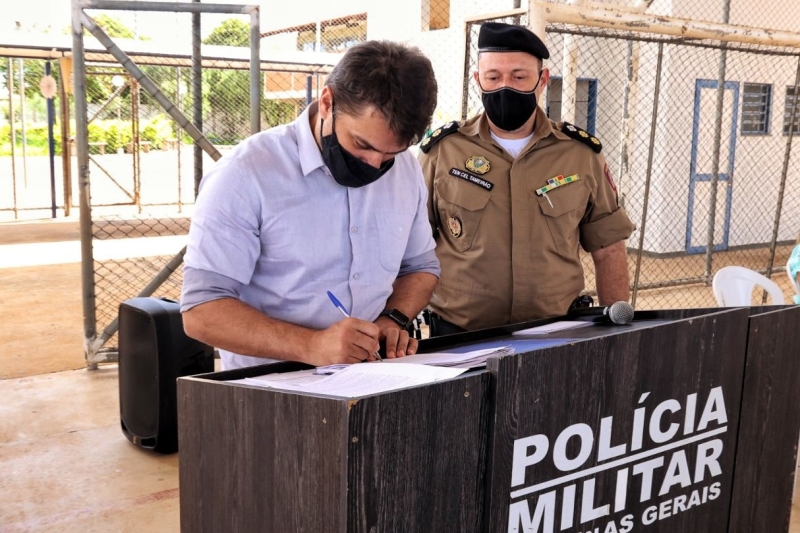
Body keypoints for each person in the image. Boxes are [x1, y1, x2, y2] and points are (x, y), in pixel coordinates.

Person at [180, 40, 440, 369]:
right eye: (361, 144)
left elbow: (420, 268)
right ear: (328, 102)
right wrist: (311, 345)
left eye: (391, 153)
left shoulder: (406, 170)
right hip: (272, 388)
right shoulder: (246, 174)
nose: (374, 166)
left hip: (373, 377)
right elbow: (202, 310)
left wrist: (392, 319)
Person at [418, 22, 636, 335]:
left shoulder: (580, 155)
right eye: (493, 77)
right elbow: (409, 247)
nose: (505, 87)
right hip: (460, 336)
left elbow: (609, 249)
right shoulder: (442, 153)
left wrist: (619, 332)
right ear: (478, 80)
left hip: (556, 333)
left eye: (520, 77)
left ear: (542, 80)